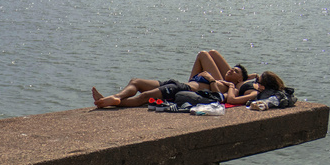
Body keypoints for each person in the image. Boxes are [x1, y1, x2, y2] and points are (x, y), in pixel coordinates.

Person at [92, 50, 253, 108]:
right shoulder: (219, 78)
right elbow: (205, 55)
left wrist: (212, 81)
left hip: (182, 90)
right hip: (178, 83)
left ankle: (111, 102)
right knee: (136, 82)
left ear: (241, 79)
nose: (231, 69)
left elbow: (219, 98)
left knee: (143, 98)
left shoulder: (230, 86)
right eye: (232, 68)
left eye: (236, 71)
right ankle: (116, 97)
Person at [226, 71, 291, 110]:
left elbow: (231, 100)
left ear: (263, 87)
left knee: (215, 54)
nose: (256, 83)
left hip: (229, 85)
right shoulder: (262, 90)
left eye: (258, 81)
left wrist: (231, 85)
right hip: (238, 79)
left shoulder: (255, 93)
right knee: (215, 54)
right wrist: (249, 77)